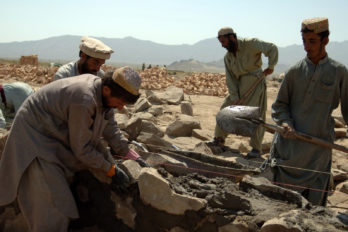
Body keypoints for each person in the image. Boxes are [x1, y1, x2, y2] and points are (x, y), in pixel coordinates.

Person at [0, 66, 148, 231]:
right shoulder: (84, 99)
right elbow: (82, 149)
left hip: (54, 138)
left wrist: (130, 154)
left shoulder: (104, 95)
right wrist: (110, 170)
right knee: (52, 208)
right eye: (120, 102)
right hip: (35, 140)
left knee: (61, 204)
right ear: (107, 89)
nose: (120, 108)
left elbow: (111, 128)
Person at [270, 17, 348, 206]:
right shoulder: (294, 72)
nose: (306, 46)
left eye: (312, 41)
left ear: (325, 41)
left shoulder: (339, 72)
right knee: (279, 205)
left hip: (317, 153)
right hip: (288, 151)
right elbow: (279, 105)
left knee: (313, 211)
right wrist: (286, 123)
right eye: (304, 40)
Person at [213, 26, 278, 158]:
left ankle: (256, 149)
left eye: (224, 42)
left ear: (232, 37)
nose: (223, 46)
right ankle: (219, 140)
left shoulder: (250, 43)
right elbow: (230, 79)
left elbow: (272, 48)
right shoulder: (228, 57)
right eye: (221, 43)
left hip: (255, 83)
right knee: (225, 109)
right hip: (238, 86)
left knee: (255, 115)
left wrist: (271, 66)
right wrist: (235, 97)